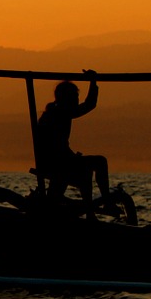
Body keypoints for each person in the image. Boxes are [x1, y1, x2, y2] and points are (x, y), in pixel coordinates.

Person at [35, 71, 113, 216]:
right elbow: (90, 104)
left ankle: (91, 210)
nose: (77, 100)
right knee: (100, 162)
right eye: (75, 97)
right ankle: (104, 204)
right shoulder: (60, 113)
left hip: (56, 161)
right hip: (57, 163)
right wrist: (93, 81)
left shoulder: (54, 112)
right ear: (67, 98)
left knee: (86, 168)